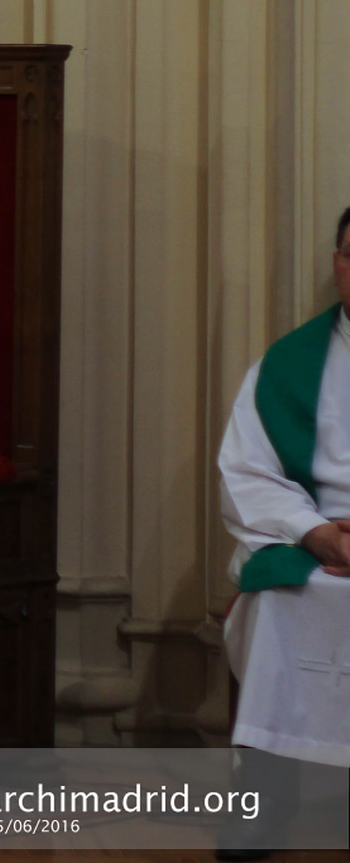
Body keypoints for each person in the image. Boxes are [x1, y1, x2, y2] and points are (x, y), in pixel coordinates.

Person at [218, 208, 350, 772]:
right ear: (336, 263)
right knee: (275, 601)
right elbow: (248, 471)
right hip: (314, 542)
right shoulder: (289, 363)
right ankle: (266, 790)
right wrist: (316, 534)